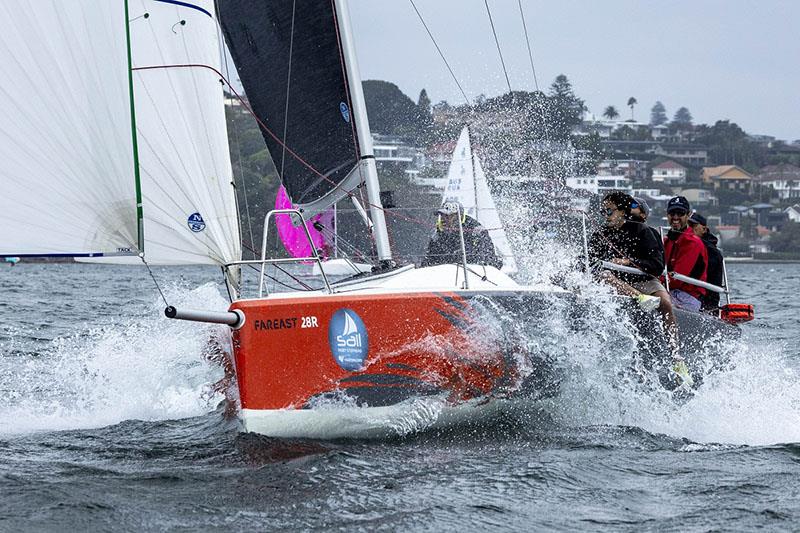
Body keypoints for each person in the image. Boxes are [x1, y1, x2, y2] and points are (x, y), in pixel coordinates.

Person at [589, 191, 692, 388]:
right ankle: (640, 298)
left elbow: (656, 265)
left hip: (642, 278)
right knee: (604, 276)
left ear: (623, 211)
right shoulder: (599, 234)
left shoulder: (645, 232)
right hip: (615, 280)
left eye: (609, 211)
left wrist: (628, 261)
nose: (605, 215)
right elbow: (587, 262)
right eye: (603, 211)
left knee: (665, 302)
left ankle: (677, 359)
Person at [422, 201, 503, 268]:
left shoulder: (475, 230)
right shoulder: (438, 234)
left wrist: (461, 256)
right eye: (442, 215)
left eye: (447, 216)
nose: (443, 219)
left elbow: (486, 255)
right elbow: (431, 257)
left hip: (473, 274)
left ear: (458, 216)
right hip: (446, 275)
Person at [663, 196, 708, 313]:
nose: (676, 217)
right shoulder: (667, 241)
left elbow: (676, 279)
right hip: (669, 291)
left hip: (688, 296)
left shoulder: (693, 243)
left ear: (688, 215)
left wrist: (655, 281)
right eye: (672, 213)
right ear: (667, 215)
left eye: (680, 213)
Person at [689, 212, 724, 312]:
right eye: (688, 225)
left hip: (705, 302)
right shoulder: (686, 245)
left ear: (704, 229)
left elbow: (699, 274)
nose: (689, 228)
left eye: (693, 225)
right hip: (690, 295)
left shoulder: (711, 251)